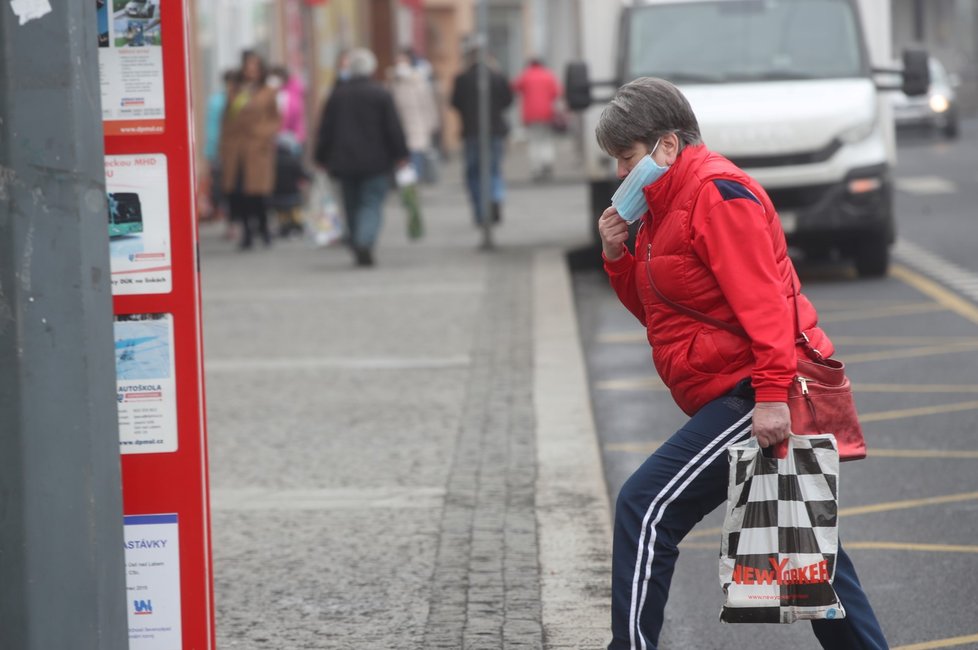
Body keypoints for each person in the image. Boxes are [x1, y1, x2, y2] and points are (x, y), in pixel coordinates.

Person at [595, 77, 888, 650]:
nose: (618, 175)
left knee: (646, 507)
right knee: (806, 544)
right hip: (735, 389)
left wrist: (773, 396)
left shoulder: (718, 196)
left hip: (752, 390)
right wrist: (617, 255)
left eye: (625, 158)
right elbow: (662, 314)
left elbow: (768, 308)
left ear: (667, 147)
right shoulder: (661, 206)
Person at [313, 48, 409, 267]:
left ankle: (357, 240)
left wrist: (320, 157)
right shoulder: (381, 94)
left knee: (352, 205)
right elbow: (393, 128)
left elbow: (325, 130)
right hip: (376, 161)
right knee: (371, 203)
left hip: (344, 162)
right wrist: (401, 155)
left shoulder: (337, 95)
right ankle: (364, 240)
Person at [219, 50, 280, 249]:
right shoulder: (234, 90)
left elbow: (275, 119)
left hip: (257, 148)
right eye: (248, 67)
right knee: (239, 193)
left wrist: (263, 135)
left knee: (258, 193)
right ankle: (247, 233)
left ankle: (263, 227)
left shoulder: (267, 92)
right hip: (236, 149)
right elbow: (226, 119)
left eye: (255, 67)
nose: (251, 71)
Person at [450, 41, 513, 225]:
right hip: (495, 131)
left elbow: (455, 103)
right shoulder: (497, 76)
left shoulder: (462, 78)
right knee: (493, 169)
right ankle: (494, 197)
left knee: (474, 173)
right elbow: (508, 100)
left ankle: (480, 211)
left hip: (471, 132)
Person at [389, 49, 439, 184]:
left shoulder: (418, 81)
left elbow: (428, 105)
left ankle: (413, 185)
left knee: (415, 156)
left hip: (417, 126)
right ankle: (408, 187)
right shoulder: (393, 83)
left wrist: (431, 124)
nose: (400, 64)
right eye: (398, 61)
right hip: (399, 127)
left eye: (403, 61)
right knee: (403, 160)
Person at [512, 58, 562, 181]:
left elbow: (514, 87)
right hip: (547, 113)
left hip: (530, 115)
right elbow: (557, 92)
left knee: (534, 141)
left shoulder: (525, 75)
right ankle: (547, 162)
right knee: (546, 139)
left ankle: (536, 168)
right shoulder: (548, 75)